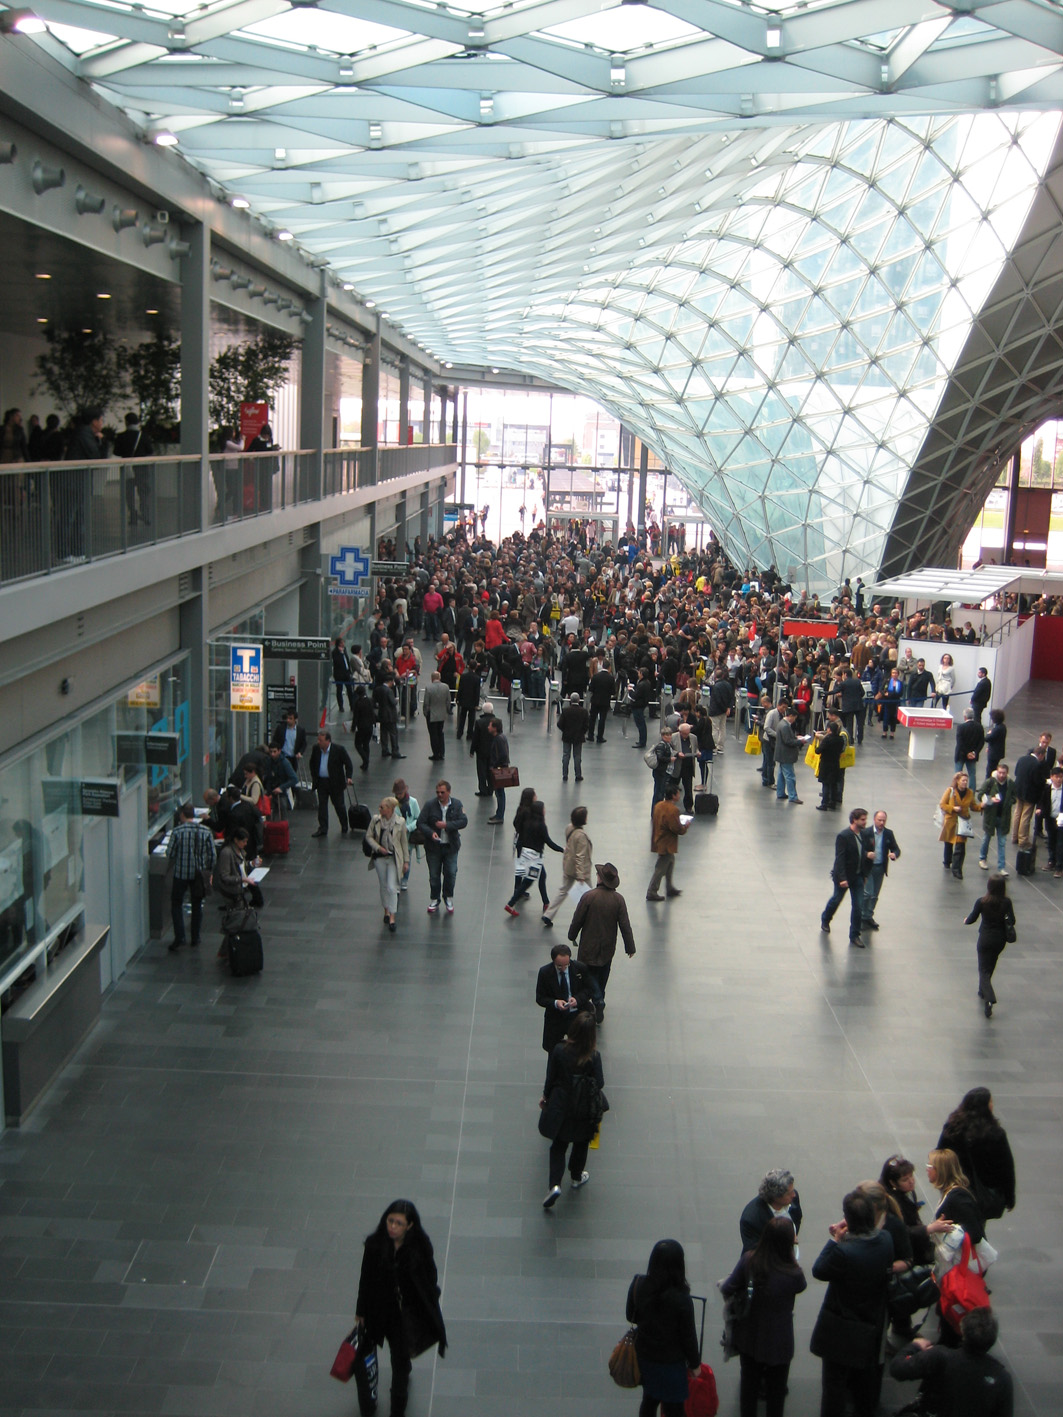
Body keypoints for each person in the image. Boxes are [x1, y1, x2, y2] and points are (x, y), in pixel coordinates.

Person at [353, 1199, 446, 1417]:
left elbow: (430, 1278)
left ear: (410, 1226)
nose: (393, 1227)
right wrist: (361, 1311)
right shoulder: (375, 1245)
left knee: (400, 1364)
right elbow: (365, 1279)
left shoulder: (420, 1248)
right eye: (390, 1221)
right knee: (367, 1355)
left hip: (404, 1317)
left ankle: (397, 1409)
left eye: (399, 1223)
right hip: (379, 1311)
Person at [810, 1188, 893, 1417]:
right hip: (871, 1322)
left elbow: (819, 1270)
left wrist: (836, 1240)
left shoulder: (844, 1253)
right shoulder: (885, 1240)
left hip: (842, 1326)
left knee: (834, 1386)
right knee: (864, 1384)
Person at [720, 1216, 807, 1417]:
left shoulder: (750, 1260)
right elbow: (801, 1286)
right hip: (780, 1339)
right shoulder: (793, 1272)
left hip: (751, 1334)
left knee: (749, 1387)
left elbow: (728, 1286)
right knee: (776, 1393)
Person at [625, 1238, 701, 1417]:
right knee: (674, 1407)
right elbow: (688, 1336)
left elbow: (630, 1315)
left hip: (645, 1356)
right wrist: (695, 1363)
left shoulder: (639, 1284)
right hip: (671, 1364)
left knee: (649, 1399)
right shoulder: (682, 1299)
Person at [889, 1307, 1013, 1417]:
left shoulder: (939, 1357)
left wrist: (915, 1346)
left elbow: (897, 1368)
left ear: (963, 1330)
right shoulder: (1002, 1378)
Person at [923, 1148, 989, 1347]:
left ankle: (950, 1341)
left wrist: (951, 1231)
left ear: (940, 1171)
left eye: (930, 1167)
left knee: (953, 1300)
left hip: (958, 1263)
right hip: (954, 1261)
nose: (927, 1170)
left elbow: (975, 1233)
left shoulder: (957, 1197)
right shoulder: (952, 1193)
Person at [539, 1010, 604, 1208]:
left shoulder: (560, 1051)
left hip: (562, 1106)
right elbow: (599, 1083)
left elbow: (551, 1078)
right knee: (581, 1143)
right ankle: (576, 1176)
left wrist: (545, 1097)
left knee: (558, 1146)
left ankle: (554, 1185)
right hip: (584, 1108)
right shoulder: (594, 1056)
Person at [567, 861, 635, 1022]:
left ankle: (598, 1000)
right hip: (607, 947)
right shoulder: (619, 899)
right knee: (603, 975)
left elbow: (578, 919)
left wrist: (572, 935)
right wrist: (630, 947)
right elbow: (625, 925)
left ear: (600, 879)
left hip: (588, 946)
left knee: (587, 975)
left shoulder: (589, 896)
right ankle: (599, 1004)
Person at [937, 1087, 1016, 1221]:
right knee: (976, 1225)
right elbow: (1006, 1167)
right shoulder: (995, 1134)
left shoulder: (952, 1128)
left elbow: (940, 1153)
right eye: (991, 1102)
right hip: (983, 1191)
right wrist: (1009, 1196)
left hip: (955, 1185)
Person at [165, 802, 216, 952]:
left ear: (182, 815)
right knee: (197, 904)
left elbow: (170, 853)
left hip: (181, 874)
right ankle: (195, 937)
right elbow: (212, 855)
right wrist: (209, 871)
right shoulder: (206, 831)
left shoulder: (177, 832)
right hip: (198, 875)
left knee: (176, 904)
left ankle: (179, 937)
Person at [416, 780, 467, 914]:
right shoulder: (429, 805)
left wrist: (447, 826)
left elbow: (463, 821)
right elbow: (420, 823)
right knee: (434, 875)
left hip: (451, 847)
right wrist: (430, 832)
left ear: (449, 792)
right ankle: (434, 898)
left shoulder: (457, 804)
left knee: (450, 873)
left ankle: (448, 897)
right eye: (438, 792)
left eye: (442, 792)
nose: (440, 795)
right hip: (434, 848)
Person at [821, 806, 869, 946]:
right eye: (862, 820)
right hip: (844, 876)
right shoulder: (844, 836)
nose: (865, 822)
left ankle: (854, 935)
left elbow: (864, 854)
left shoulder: (864, 835)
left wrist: (864, 874)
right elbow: (840, 858)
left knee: (858, 906)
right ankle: (826, 918)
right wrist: (842, 878)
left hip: (858, 875)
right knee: (836, 899)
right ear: (854, 820)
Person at [505, 799, 562, 915]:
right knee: (528, 882)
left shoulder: (528, 823)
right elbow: (549, 842)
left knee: (540, 876)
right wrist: (562, 849)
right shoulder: (541, 826)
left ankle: (546, 902)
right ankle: (511, 903)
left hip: (526, 854)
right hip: (535, 858)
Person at [535, 942, 595, 1053]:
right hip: (555, 1018)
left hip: (576, 1016)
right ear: (553, 961)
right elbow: (540, 997)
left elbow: (590, 990)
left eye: (566, 965)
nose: (563, 969)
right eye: (559, 966)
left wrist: (577, 999)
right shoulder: (545, 972)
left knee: (580, 1050)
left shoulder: (579, 968)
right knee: (553, 1051)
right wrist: (555, 1002)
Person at [879, 1155, 935, 1266]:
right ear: (893, 1183)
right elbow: (900, 1231)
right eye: (905, 1179)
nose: (911, 1181)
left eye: (911, 1176)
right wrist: (927, 1229)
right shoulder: (890, 1203)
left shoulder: (907, 1191)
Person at [542, 805, 593, 926]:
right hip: (580, 871)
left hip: (568, 866)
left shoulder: (569, 828)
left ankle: (548, 914)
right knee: (590, 894)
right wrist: (581, 876)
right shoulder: (581, 836)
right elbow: (580, 857)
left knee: (563, 890)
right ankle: (591, 916)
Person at [365, 796, 409, 933]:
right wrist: (378, 848)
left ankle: (392, 917)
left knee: (392, 887)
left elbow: (403, 843)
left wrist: (406, 861)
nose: (379, 809)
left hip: (393, 858)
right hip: (380, 858)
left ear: (390, 809)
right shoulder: (376, 820)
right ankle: (386, 910)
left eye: (382, 807)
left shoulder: (400, 822)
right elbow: (368, 836)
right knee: (383, 885)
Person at [739, 1169, 803, 1254]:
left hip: (790, 1262)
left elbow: (797, 1219)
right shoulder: (752, 1219)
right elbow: (756, 1255)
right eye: (789, 1193)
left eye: (793, 1191)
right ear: (776, 1196)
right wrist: (786, 1240)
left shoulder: (793, 1199)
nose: (793, 1195)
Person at [859, 809, 900, 932]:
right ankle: (861, 916)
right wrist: (867, 854)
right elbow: (859, 849)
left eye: (884, 820)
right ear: (874, 820)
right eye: (879, 820)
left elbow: (896, 849)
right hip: (868, 867)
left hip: (880, 867)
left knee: (875, 895)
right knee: (868, 893)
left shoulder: (888, 833)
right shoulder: (866, 833)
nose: (882, 822)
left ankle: (868, 916)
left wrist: (894, 854)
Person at [308, 729, 354, 838]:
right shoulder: (316, 749)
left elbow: (348, 764)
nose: (319, 742)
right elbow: (312, 763)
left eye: (321, 740)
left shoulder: (338, 750)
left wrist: (348, 777)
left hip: (335, 783)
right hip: (321, 782)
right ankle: (323, 828)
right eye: (318, 740)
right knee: (322, 806)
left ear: (328, 741)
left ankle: (344, 824)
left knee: (339, 805)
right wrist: (315, 776)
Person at [647, 783, 687, 901]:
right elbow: (676, 828)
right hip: (667, 842)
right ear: (674, 796)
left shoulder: (658, 805)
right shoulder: (673, 810)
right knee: (661, 867)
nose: (679, 795)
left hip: (659, 839)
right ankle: (652, 891)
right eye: (678, 793)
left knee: (670, 862)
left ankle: (669, 887)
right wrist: (685, 827)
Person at [113, 411, 153, 527]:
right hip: (142, 468)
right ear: (138, 422)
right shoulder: (144, 436)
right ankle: (145, 515)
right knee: (143, 492)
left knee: (129, 493)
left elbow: (116, 452)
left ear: (126, 422)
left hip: (127, 468)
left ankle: (133, 514)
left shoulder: (121, 437)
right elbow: (150, 451)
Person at [976, 762, 1016, 875]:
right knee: (986, 838)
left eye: (1004, 773)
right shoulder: (990, 782)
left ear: (1007, 773)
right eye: (1000, 772)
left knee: (1002, 842)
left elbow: (1014, 797)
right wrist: (990, 800)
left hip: (1004, 817)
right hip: (991, 817)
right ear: (997, 772)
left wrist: (1009, 802)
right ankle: (982, 858)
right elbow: (980, 795)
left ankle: (1001, 867)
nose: (1002, 775)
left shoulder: (1010, 784)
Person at [939, 771, 980, 879]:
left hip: (962, 821)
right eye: (963, 780)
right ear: (957, 781)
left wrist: (983, 806)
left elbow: (973, 806)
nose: (965, 783)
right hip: (951, 821)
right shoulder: (950, 791)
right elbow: (942, 804)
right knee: (948, 842)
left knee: (960, 847)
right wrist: (953, 808)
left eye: (966, 780)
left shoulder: (970, 793)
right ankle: (947, 861)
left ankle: (957, 869)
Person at [1011, 744, 1046, 852]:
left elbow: (1016, 772)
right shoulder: (1036, 764)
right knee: (1026, 816)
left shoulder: (1022, 759)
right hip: (1029, 794)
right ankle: (1023, 840)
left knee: (1017, 813)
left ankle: (1014, 836)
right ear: (1040, 755)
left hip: (1018, 790)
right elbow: (1037, 781)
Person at [392, 778, 420, 893]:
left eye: (400, 793)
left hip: (408, 837)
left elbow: (418, 819)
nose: (398, 796)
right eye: (397, 794)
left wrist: (408, 828)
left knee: (406, 859)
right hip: (396, 837)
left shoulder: (413, 802)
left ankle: (404, 879)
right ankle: (397, 880)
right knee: (396, 858)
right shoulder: (392, 803)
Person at [813, 719, 845, 812]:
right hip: (835, 764)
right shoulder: (840, 739)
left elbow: (818, 750)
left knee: (825, 784)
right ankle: (833, 802)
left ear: (829, 729)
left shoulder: (827, 739)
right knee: (833, 784)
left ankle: (824, 803)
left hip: (825, 764)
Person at [774, 707, 804, 804]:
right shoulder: (786, 726)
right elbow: (788, 741)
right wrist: (800, 741)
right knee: (790, 776)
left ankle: (780, 792)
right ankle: (793, 796)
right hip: (786, 755)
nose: (794, 720)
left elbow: (786, 738)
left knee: (781, 775)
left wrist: (795, 737)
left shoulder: (781, 724)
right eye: (794, 718)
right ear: (791, 716)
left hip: (781, 754)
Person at [558, 692, 589, 783]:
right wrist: (582, 732)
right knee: (577, 756)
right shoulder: (584, 711)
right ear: (579, 700)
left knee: (566, 755)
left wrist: (565, 730)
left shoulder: (565, 710)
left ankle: (565, 774)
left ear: (570, 700)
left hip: (567, 736)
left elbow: (560, 724)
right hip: (578, 736)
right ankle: (578, 775)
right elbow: (586, 725)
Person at [486, 717, 510, 824]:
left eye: (490, 725)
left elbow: (503, 755)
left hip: (499, 769)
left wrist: (494, 765)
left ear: (495, 728)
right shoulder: (502, 737)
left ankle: (500, 816)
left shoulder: (498, 739)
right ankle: (499, 813)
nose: (488, 727)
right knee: (499, 793)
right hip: (501, 767)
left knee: (500, 793)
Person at [1040, 762, 1063, 877]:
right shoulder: (1047, 789)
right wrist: (1040, 810)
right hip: (1050, 818)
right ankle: (1051, 861)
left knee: (1060, 843)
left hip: (1062, 821)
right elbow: (1043, 802)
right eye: (1057, 777)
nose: (1059, 779)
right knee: (1051, 840)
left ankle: (1059, 866)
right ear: (1052, 777)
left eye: (1061, 777)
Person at [469, 699, 495, 796]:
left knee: (481, 771)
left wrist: (472, 750)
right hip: (493, 751)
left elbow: (475, 738)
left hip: (481, 750)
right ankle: (491, 788)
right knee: (491, 770)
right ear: (492, 711)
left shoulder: (479, 722)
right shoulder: (497, 722)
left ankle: (483, 789)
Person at [422, 671, 450, 761]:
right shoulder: (446, 687)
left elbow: (426, 702)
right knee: (440, 733)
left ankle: (435, 753)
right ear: (440, 677)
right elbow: (448, 700)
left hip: (432, 714)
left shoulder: (429, 688)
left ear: (432, 678)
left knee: (433, 734)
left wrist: (425, 712)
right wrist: (447, 710)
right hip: (442, 714)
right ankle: (442, 753)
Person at [954, 707, 985, 778]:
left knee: (957, 775)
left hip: (961, 754)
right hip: (973, 755)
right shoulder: (979, 727)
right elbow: (981, 742)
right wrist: (974, 752)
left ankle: (956, 788)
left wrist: (967, 752)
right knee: (972, 775)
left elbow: (960, 743)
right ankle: (972, 789)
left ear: (965, 717)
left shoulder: (961, 727)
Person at [331, 636, 356, 714]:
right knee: (339, 690)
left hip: (346, 673)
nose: (343, 644)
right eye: (342, 643)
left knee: (350, 690)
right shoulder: (335, 652)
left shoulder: (344, 650)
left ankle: (352, 705)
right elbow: (336, 662)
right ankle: (341, 706)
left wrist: (349, 671)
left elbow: (347, 660)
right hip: (339, 674)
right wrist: (341, 654)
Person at [984, 708, 1007, 772]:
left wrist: (988, 734)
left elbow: (987, 738)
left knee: (990, 769)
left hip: (994, 753)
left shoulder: (997, 729)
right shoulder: (1002, 727)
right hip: (998, 752)